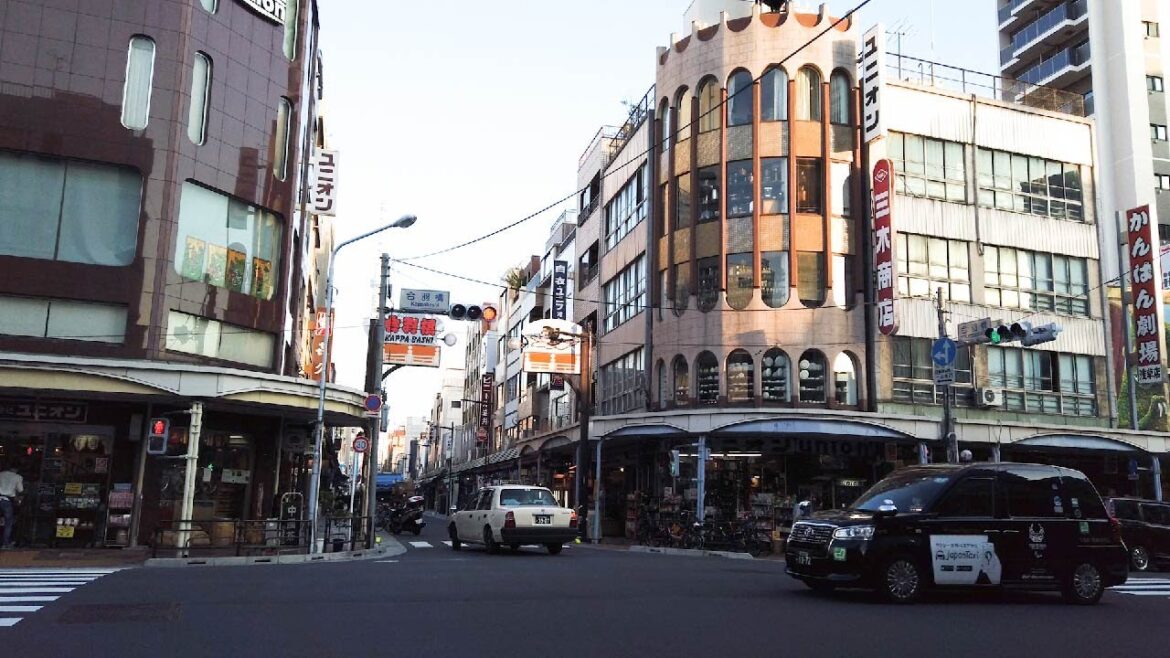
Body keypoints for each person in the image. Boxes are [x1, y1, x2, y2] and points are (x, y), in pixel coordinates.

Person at [0, 462, 24, 549]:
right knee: (8, 523)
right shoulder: (17, 477)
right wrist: (19, 501)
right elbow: (20, 490)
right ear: (17, 469)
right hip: (7, 501)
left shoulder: (1, 474)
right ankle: (5, 543)